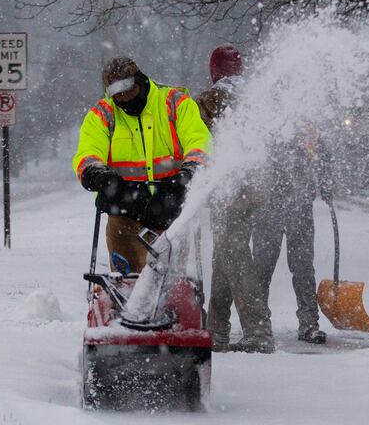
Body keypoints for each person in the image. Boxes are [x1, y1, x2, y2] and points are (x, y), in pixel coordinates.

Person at [73, 57, 211, 273]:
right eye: (117, 94)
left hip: (171, 206)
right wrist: (97, 175)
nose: (124, 98)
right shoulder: (103, 115)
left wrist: (188, 173)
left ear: (140, 81)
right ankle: (126, 304)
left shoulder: (176, 103)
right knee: (126, 283)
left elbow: (199, 142)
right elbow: (88, 154)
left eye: (128, 90)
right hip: (125, 210)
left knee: (171, 283)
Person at [196, 44, 275, 354]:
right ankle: (215, 330)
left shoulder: (212, 98)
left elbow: (194, 137)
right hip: (256, 185)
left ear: (214, 70)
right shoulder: (257, 96)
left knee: (236, 257)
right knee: (225, 255)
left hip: (231, 190)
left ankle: (258, 331)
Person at [252, 125, 332, 344]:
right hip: (267, 205)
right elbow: (251, 158)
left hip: (300, 206)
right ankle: (259, 325)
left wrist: (326, 182)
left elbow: (322, 154)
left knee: (304, 268)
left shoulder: (307, 125)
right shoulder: (265, 120)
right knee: (262, 267)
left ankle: (309, 324)